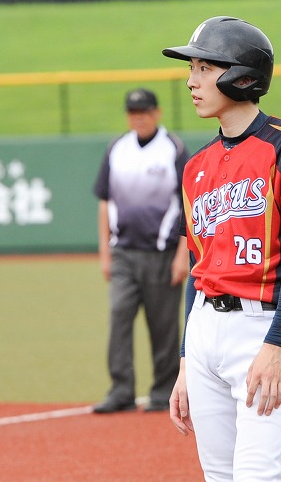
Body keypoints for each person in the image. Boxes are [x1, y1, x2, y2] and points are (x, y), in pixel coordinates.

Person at [162, 16, 281, 480]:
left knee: (256, 473)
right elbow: (198, 267)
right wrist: (185, 359)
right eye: (190, 69)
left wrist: (276, 344)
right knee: (218, 475)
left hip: (261, 327)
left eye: (204, 68)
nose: (191, 82)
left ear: (241, 76)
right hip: (203, 332)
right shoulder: (195, 166)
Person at [92, 88, 190, 414]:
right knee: (119, 315)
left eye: (145, 111)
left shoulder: (173, 149)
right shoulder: (117, 148)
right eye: (134, 112)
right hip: (123, 252)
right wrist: (104, 251)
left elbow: (190, 204)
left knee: (163, 324)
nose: (140, 118)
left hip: (162, 252)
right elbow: (105, 201)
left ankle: (163, 391)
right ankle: (121, 390)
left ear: (157, 113)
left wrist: (183, 254)